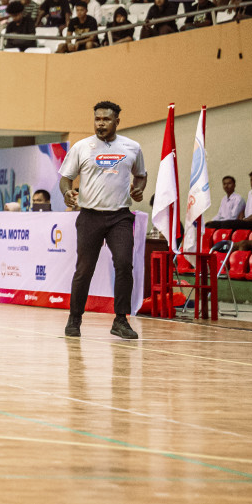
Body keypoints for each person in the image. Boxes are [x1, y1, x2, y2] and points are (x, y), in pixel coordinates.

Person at [59, 100, 147, 340]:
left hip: (120, 216)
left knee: (124, 265)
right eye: (97, 119)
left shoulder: (132, 147)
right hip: (90, 216)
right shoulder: (81, 147)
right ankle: (74, 319)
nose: (100, 123)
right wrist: (67, 192)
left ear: (117, 121)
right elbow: (66, 178)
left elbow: (141, 175)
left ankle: (121, 320)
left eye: (106, 119)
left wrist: (138, 189)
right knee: (84, 269)